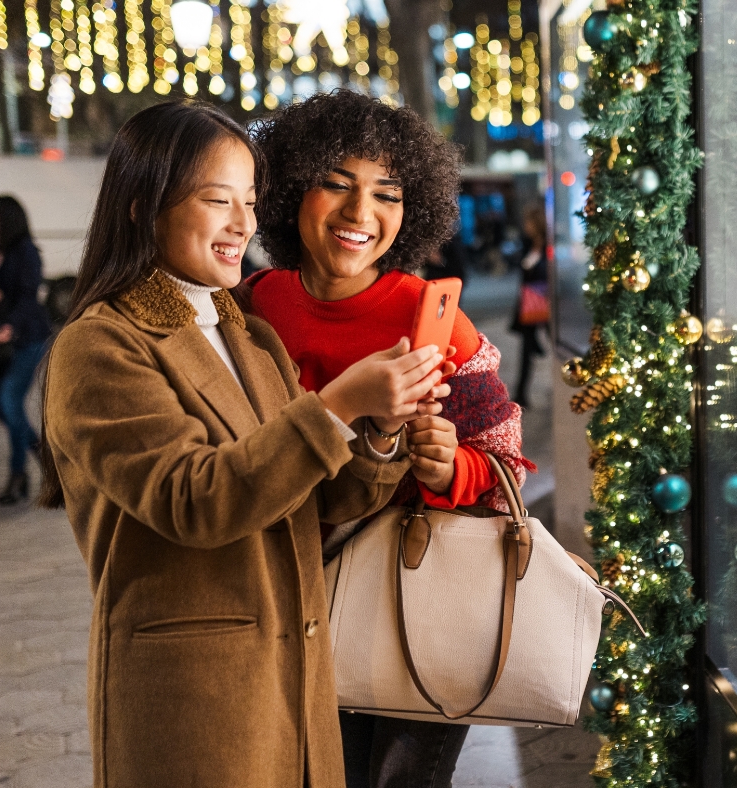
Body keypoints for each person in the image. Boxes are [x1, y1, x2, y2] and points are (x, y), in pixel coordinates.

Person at [37, 100, 453, 788]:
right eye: (216, 200)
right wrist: (340, 401)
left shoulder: (245, 332)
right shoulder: (101, 344)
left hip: (294, 671)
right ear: (143, 205)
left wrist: (382, 428)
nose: (244, 226)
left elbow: (318, 492)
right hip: (197, 693)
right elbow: (196, 501)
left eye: (251, 202)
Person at [241, 88, 533, 788]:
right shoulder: (254, 304)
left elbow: (508, 461)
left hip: (419, 604)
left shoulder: (431, 317)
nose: (359, 214)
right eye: (335, 185)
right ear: (288, 192)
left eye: (387, 194)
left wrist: (449, 470)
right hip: (289, 600)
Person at [0, 195, 52, 504]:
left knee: (10, 402)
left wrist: (8, 319)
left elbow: (27, 296)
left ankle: (17, 475)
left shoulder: (26, 252)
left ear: (4, 217)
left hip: (26, 337)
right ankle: (46, 458)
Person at [509, 205, 549, 408]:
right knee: (526, 348)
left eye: (528, 223)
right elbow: (523, 269)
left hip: (549, 302)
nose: (525, 226)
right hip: (530, 302)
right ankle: (521, 394)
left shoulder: (550, 244)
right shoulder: (527, 244)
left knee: (553, 341)